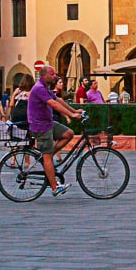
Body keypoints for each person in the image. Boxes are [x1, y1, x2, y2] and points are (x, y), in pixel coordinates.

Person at [26, 64, 80, 198]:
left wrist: (74, 110)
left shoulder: (45, 87)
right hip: (40, 126)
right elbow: (53, 104)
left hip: (48, 123)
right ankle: (55, 188)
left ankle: (48, 156)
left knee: (68, 134)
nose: (55, 76)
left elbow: (58, 100)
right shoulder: (39, 88)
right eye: (52, 74)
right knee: (47, 156)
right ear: (44, 76)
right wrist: (71, 115)